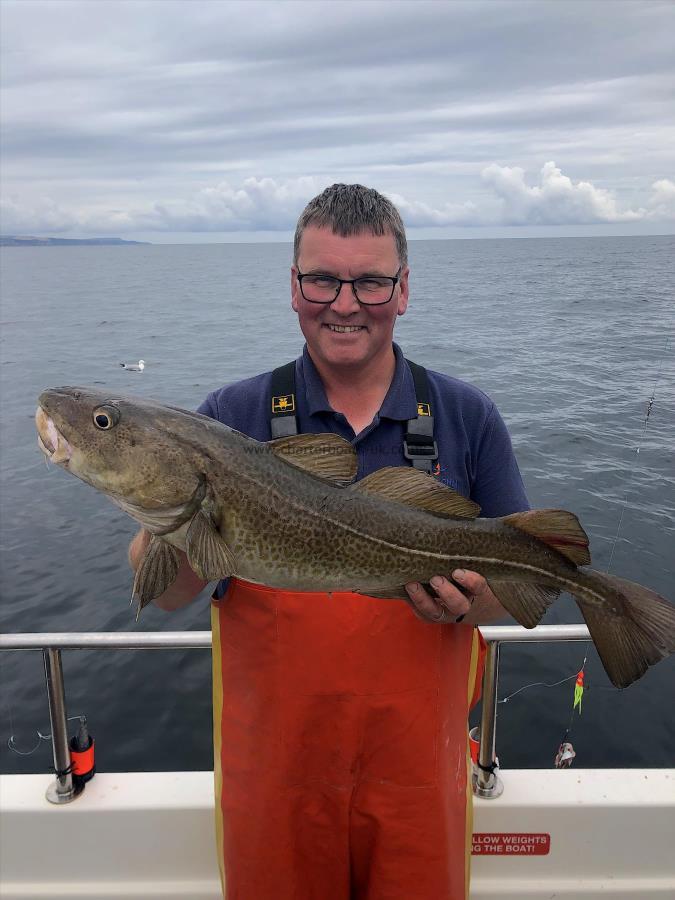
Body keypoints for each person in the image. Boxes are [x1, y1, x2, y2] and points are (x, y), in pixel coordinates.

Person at [128, 184, 529, 900]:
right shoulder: (230, 415)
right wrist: (178, 514)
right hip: (273, 781)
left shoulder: (467, 416)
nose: (344, 304)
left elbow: (516, 593)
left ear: (402, 290)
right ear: (293, 288)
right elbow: (163, 595)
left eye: (370, 281)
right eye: (322, 279)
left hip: (418, 776)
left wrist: (471, 601)